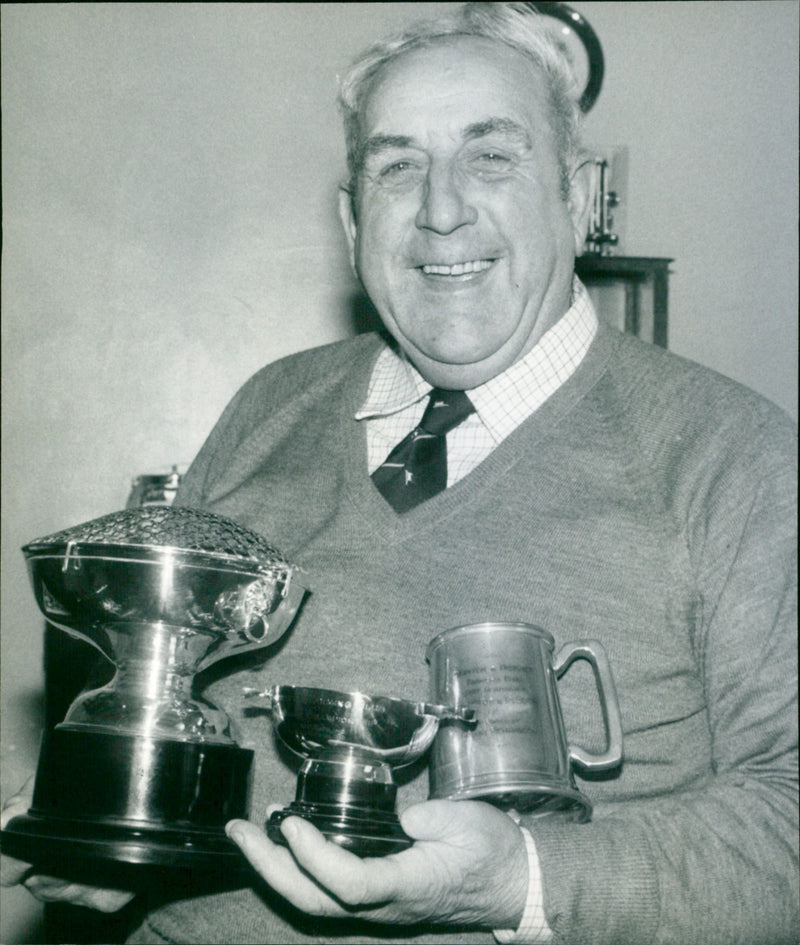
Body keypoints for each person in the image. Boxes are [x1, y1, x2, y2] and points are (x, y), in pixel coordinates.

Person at [2, 3, 797, 943]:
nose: (441, 207)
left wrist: (521, 881)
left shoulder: (737, 457)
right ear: (350, 217)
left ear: (581, 200)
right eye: (397, 165)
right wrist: (114, 846)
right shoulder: (271, 405)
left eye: (491, 156)